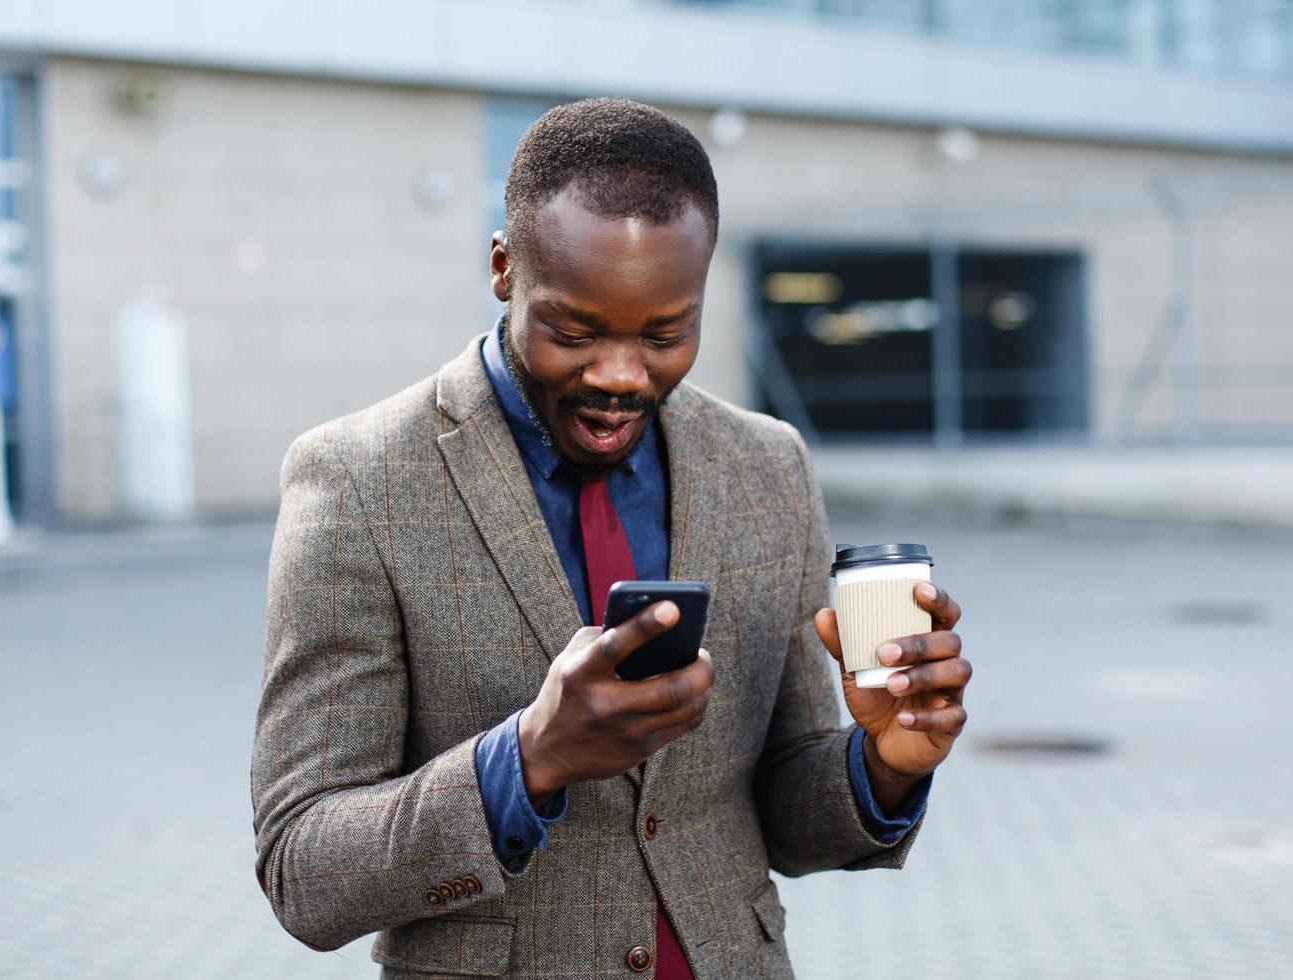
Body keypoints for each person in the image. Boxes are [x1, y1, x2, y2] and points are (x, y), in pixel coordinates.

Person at [250, 97, 971, 979]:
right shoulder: (358, 478)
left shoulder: (767, 466)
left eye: (666, 333)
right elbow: (303, 869)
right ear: (504, 268)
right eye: (575, 331)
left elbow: (781, 810)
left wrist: (883, 763)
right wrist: (530, 758)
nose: (622, 376)